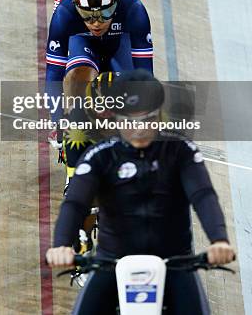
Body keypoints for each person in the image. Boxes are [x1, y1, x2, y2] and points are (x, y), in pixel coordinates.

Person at [46, 70, 236, 315]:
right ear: (116, 118)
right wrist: (61, 244)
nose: (138, 129)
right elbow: (74, 203)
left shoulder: (181, 151)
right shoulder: (99, 156)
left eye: (146, 119)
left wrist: (219, 239)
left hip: (176, 263)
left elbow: (203, 195)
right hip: (111, 262)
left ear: (159, 117)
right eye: (128, 120)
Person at [46, 0, 153, 125]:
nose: (96, 23)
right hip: (84, 44)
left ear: (117, 3)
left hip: (119, 45)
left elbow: (145, 74)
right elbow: (54, 73)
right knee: (78, 76)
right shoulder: (64, 13)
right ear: (76, 7)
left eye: (106, 13)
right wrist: (57, 121)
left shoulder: (134, 10)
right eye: (87, 15)